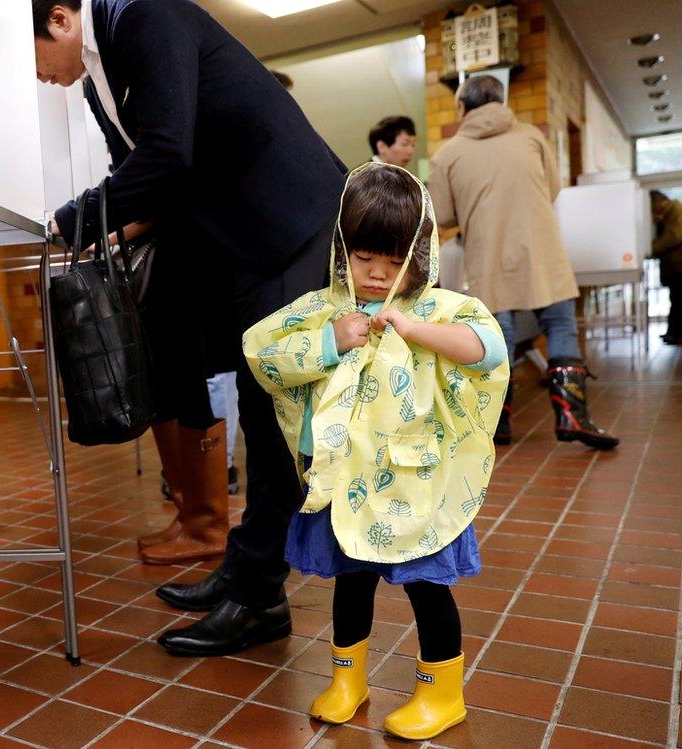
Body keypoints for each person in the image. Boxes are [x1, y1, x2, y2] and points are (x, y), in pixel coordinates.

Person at [33, 0, 347, 654]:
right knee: (235, 391)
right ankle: (244, 567)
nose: (37, 76)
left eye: (31, 58)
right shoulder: (98, 70)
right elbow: (147, 175)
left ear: (60, 19)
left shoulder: (144, 15)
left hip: (288, 218)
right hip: (238, 233)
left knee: (270, 410)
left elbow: (168, 155)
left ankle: (259, 596)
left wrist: (74, 216)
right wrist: (109, 222)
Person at [243, 163, 508, 740]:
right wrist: (329, 341)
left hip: (417, 488)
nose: (378, 275)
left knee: (426, 587)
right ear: (344, 247)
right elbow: (261, 354)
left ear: (423, 255)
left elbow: (486, 350)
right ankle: (347, 680)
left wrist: (415, 331)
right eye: (366, 259)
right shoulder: (323, 308)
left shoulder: (440, 308)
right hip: (345, 484)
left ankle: (443, 694)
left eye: (396, 263)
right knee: (350, 583)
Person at [428, 75, 619, 450]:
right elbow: (552, 188)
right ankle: (571, 415)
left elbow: (443, 214)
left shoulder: (447, 154)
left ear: (462, 107)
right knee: (560, 324)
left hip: (488, 253)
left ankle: (497, 424)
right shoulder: (531, 136)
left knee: (498, 337)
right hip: (542, 250)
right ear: (501, 101)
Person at [650, 191, 682, 345]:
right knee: (675, 301)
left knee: (678, 301)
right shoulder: (670, 214)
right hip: (675, 268)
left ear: (660, 202)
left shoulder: (677, 210)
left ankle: (676, 334)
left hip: (679, 267)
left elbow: (675, 236)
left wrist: (652, 249)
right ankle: (673, 333)